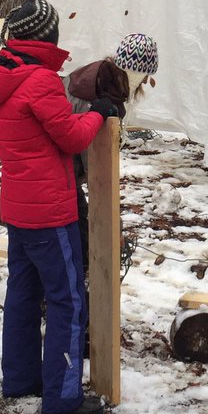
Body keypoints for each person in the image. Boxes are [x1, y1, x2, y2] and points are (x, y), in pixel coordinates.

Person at [0, 0, 121, 414]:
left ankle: (20, 378)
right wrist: (99, 113)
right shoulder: (39, 80)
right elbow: (72, 138)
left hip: (19, 206)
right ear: (46, 37)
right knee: (68, 299)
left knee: (23, 292)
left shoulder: (1, 75)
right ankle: (62, 395)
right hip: (50, 210)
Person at [62, 33, 159, 265]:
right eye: (144, 76)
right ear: (135, 74)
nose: (145, 82)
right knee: (82, 252)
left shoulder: (86, 78)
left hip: (55, 177)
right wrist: (115, 231)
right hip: (58, 182)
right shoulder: (103, 104)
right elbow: (101, 178)